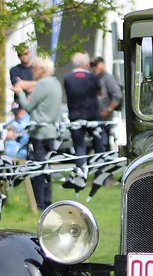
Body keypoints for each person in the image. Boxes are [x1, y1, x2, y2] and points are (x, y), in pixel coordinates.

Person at [23, 55, 63, 209]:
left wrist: (20, 93)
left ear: (42, 69)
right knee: (47, 168)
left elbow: (28, 107)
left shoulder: (42, 84)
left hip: (38, 133)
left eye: (34, 68)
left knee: (36, 168)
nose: (32, 71)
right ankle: (47, 200)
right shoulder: (56, 83)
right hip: (51, 132)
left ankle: (38, 202)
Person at [63, 51, 105, 168]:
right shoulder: (92, 77)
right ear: (87, 64)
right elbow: (100, 93)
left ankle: (81, 173)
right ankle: (103, 172)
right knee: (98, 144)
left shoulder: (68, 78)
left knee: (79, 146)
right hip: (93, 115)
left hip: (75, 115)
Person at [90, 55, 122, 119]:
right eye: (92, 66)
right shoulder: (92, 78)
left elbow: (118, 95)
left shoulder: (108, 78)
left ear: (102, 64)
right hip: (93, 116)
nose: (94, 68)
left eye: (96, 65)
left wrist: (108, 110)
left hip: (104, 118)